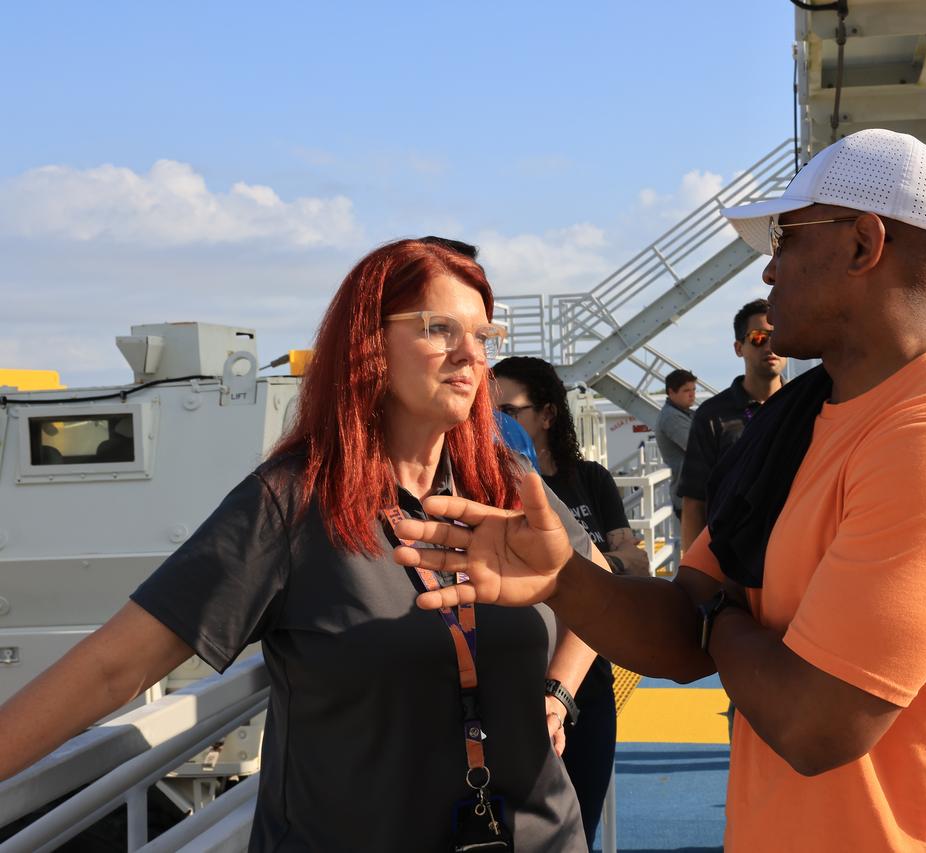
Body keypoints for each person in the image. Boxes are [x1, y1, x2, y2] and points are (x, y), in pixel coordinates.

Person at [393, 129, 926, 850]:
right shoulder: (806, 419)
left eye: (786, 236)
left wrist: (719, 618)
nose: (770, 272)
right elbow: (686, 627)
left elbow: (816, 723)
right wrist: (562, 578)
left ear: (865, 245)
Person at [0, 237, 604, 852]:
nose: (470, 356)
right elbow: (115, 666)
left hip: (537, 835)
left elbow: (594, 583)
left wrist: (556, 693)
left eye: (482, 335)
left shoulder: (498, 481)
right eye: (439, 328)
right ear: (369, 344)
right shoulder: (290, 503)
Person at [491, 355, 646, 847]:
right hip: (515, 692)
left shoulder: (589, 480)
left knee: (580, 827)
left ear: (548, 414)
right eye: (486, 413)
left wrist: (583, 572)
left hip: (588, 687)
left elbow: (634, 562)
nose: (495, 425)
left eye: (508, 412)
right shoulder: (491, 489)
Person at [676, 299, 785, 549]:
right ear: (739, 348)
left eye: (775, 335)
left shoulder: (803, 406)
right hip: (732, 559)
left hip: (793, 553)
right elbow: (694, 502)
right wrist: (695, 581)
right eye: (758, 337)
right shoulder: (712, 416)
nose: (769, 345)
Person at [655, 368, 696, 522]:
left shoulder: (685, 413)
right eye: (686, 390)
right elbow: (698, 446)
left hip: (691, 494)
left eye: (693, 389)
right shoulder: (671, 417)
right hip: (689, 497)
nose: (692, 394)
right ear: (671, 392)